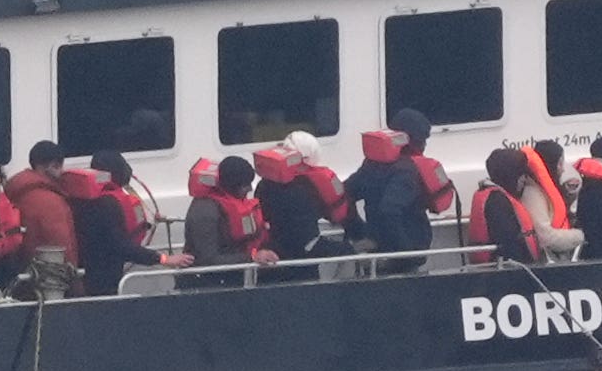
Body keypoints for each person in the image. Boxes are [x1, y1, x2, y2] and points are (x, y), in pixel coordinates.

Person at [72, 151, 189, 296]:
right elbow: (120, 245)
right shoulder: (107, 204)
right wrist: (164, 259)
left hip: (90, 274)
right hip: (101, 283)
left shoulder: (86, 201)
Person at [343, 108, 438, 270]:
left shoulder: (371, 164)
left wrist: (358, 231)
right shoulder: (407, 170)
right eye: (423, 140)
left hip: (375, 249)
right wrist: (406, 253)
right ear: (414, 140)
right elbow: (389, 210)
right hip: (402, 256)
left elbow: (343, 194)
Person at [257, 134, 354, 266]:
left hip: (274, 246)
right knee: (348, 250)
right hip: (305, 248)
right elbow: (336, 214)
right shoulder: (310, 184)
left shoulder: (265, 183)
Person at [183, 155, 279, 281]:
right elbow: (208, 259)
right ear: (232, 186)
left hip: (230, 278)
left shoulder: (230, 202)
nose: (250, 189)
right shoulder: (205, 211)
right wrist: (253, 257)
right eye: (245, 185)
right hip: (205, 282)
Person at [3, 142, 82, 290]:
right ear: (50, 165)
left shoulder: (17, 191)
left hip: (25, 274)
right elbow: (60, 243)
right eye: (58, 165)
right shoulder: (49, 201)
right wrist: (75, 285)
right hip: (51, 283)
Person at [465, 148, 543, 264]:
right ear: (510, 175)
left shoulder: (494, 196)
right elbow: (507, 242)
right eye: (521, 174)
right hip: (503, 271)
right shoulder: (497, 202)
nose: (523, 179)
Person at [519, 140, 585, 259]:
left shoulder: (544, 191)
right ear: (551, 164)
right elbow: (545, 238)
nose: (563, 169)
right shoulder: (533, 194)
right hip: (546, 264)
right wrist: (580, 235)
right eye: (560, 164)